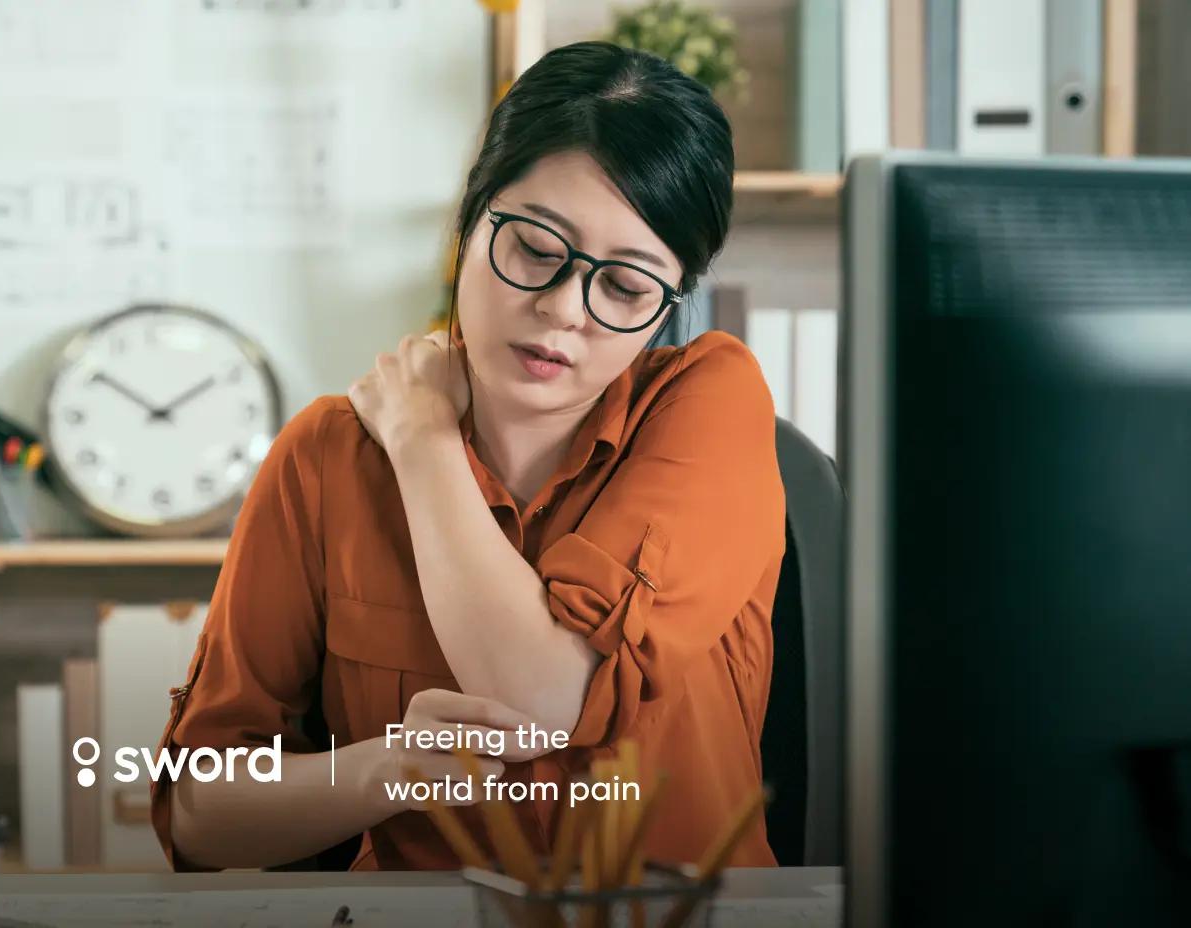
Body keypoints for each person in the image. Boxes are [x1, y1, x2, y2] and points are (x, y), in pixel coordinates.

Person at [151, 41, 784, 871]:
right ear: (468, 224)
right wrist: (385, 771)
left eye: (625, 288)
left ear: (666, 307)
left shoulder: (713, 400)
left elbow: (538, 704)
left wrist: (423, 441)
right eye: (533, 248)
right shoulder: (325, 458)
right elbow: (201, 813)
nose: (564, 309)